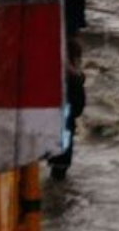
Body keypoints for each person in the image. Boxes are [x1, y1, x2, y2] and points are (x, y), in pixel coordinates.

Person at [48, 36, 87, 180]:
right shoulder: (75, 79)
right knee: (61, 165)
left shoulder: (54, 74)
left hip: (51, 128)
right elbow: (79, 108)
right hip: (66, 129)